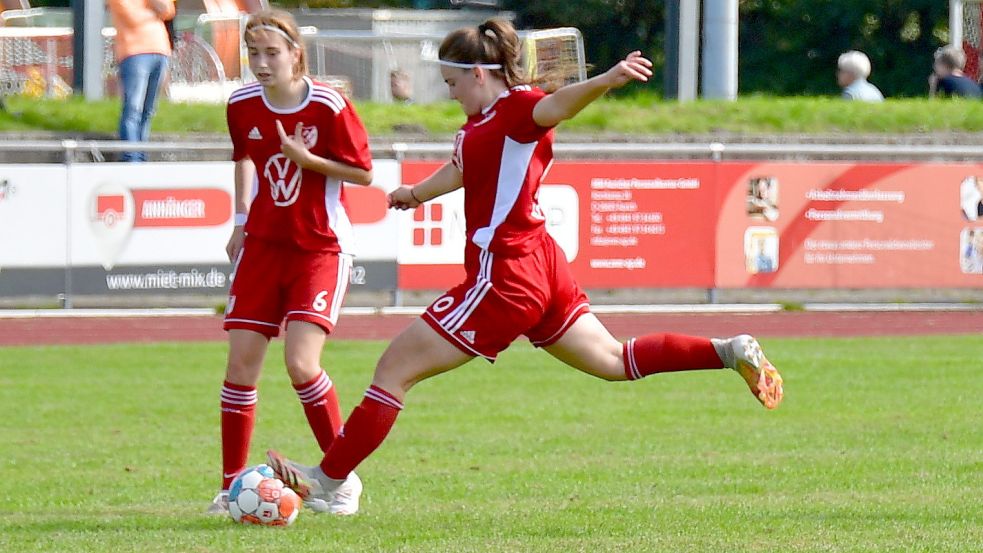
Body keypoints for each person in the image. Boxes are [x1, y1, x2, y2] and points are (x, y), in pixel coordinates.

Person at [266, 18, 784, 512]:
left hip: (505, 273)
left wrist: (607, 78)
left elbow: (556, 105)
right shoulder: (481, 124)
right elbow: (462, 169)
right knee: (611, 361)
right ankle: (725, 350)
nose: (448, 93)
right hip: (541, 265)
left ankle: (329, 481)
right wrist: (415, 194)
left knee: (393, 370)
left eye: (451, 82)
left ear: (477, 74)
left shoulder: (517, 108)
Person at [207, 8, 374, 517]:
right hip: (263, 245)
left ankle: (341, 481)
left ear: (295, 54)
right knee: (240, 366)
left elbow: (363, 174)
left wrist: (310, 162)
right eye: (252, 53)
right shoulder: (240, 103)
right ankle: (232, 485)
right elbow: (241, 156)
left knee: (301, 363)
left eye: (271, 53)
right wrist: (239, 220)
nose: (260, 63)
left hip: (319, 247)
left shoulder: (327, 105)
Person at [108, 0, 176, 161]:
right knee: (133, 107)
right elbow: (133, 18)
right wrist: (154, 12)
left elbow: (169, 11)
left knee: (149, 109)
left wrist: (154, 7)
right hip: (134, 52)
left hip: (160, 50)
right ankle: (131, 156)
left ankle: (141, 153)